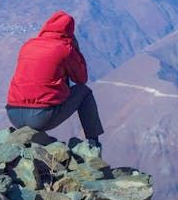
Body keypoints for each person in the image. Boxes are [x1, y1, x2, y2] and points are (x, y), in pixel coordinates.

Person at [6, 10, 104, 152]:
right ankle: (93, 143)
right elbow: (81, 79)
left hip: (13, 114)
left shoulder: (27, 45)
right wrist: (75, 49)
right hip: (40, 117)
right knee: (84, 92)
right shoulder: (64, 49)